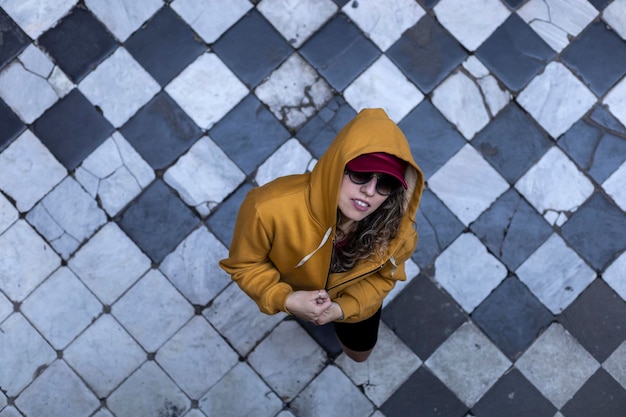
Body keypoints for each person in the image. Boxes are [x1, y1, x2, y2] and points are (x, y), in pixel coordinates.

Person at [219, 108, 424, 362]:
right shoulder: (267, 207)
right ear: (338, 166)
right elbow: (245, 265)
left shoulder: (397, 232)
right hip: (295, 290)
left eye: (386, 183)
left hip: (353, 302)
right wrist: (286, 299)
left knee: (359, 355)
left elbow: (384, 278)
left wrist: (341, 309)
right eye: (360, 174)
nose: (370, 191)